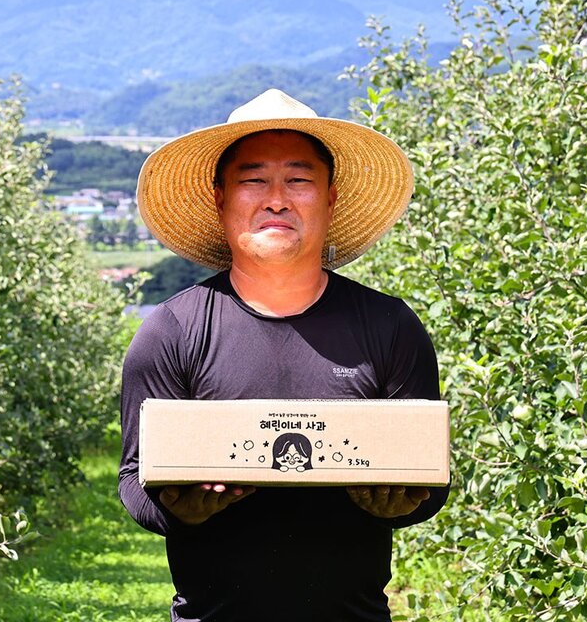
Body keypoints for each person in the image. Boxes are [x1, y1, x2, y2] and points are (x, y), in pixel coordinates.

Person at [119, 89, 449, 622]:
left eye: (298, 179)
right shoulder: (172, 331)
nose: (276, 198)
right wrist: (179, 510)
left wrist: (406, 503)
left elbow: (429, 477)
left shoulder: (390, 327)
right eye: (253, 180)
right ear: (219, 197)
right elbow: (134, 481)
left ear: (331, 197)